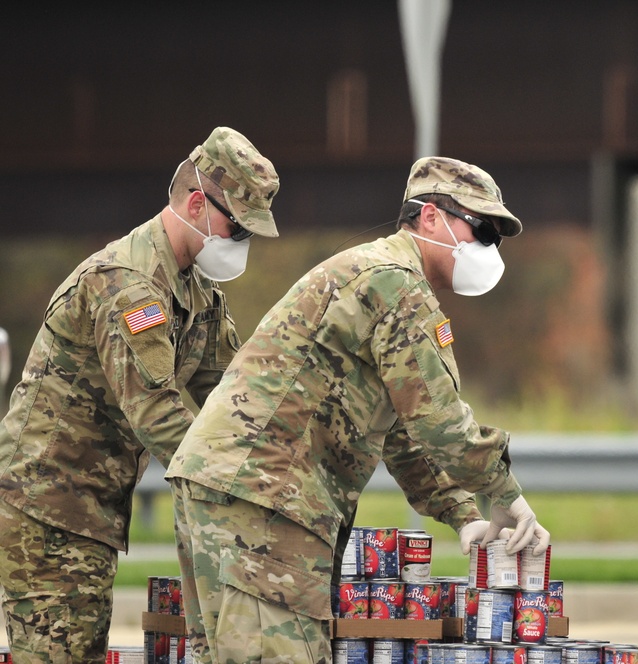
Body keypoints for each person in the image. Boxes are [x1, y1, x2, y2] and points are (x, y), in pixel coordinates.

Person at [165, 155, 551, 663]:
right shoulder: (395, 284)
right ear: (430, 217)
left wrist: (462, 514)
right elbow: (440, 421)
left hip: (230, 490)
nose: (487, 248)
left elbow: (402, 432)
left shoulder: (375, 273)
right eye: (481, 229)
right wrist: (508, 497)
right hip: (264, 501)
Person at [0, 126, 280, 663]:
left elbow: (229, 394)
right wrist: (238, 487)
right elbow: (157, 413)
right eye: (237, 228)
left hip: (90, 509)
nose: (241, 242)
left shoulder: (196, 289)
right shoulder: (127, 282)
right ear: (198, 203)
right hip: (49, 511)